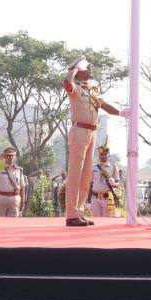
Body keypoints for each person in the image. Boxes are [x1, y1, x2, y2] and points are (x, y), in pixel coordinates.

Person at [62, 58, 127, 227]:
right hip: (79, 130)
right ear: (80, 72)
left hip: (91, 131)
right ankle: (71, 214)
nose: (90, 72)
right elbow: (66, 82)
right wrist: (75, 67)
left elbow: (104, 106)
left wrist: (121, 113)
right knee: (75, 174)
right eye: (87, 69)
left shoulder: (92, 91)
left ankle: (79, 212)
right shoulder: (75, 88)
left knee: (85, 176)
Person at [0, 147, 27, 218]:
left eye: (12, 155)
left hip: (14, 198)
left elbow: (22, 187)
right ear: (4, 156)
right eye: (8, 155)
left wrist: (23, 202)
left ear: (15, 157)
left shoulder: (19, 170)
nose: (10, 157)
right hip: (1, 197)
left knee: (13, 223)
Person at [88, 144, 119, 220]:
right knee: (96, 220)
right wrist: (88, 201)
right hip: (95, 198)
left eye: (105, 154)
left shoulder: (113, 167)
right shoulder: (93, 168)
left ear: (109, 155)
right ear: (99, 156)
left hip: (107, 199)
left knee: (106, 221)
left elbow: (118, 183)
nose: (103, 156)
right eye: (101, 154)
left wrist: (114, 184)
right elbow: (90, 184)